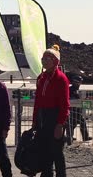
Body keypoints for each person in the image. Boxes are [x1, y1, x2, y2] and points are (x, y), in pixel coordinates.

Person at [32, 45, 70, 177]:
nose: (44, 61)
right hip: (42, 117)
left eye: (48, 58)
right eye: (43, 58)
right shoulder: (41, 78)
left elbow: (65, 104)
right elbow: (37, 101)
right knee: (44, 151)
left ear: (55, 61)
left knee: (57, 153)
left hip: (55, 117)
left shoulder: (61, 79)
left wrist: (60, 124)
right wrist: (35, 120)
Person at [66, 75, 92, 144]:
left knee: (74, 123)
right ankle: (71, 137)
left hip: (76, 110)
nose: (79, 84)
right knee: (74, 123)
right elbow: (72, 99)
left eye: (80, 82)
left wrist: (83, 100)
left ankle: (71, 136)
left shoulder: (75, 90)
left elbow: (77, 99)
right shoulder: (71, 89)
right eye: (77, 82)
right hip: (72, 110)